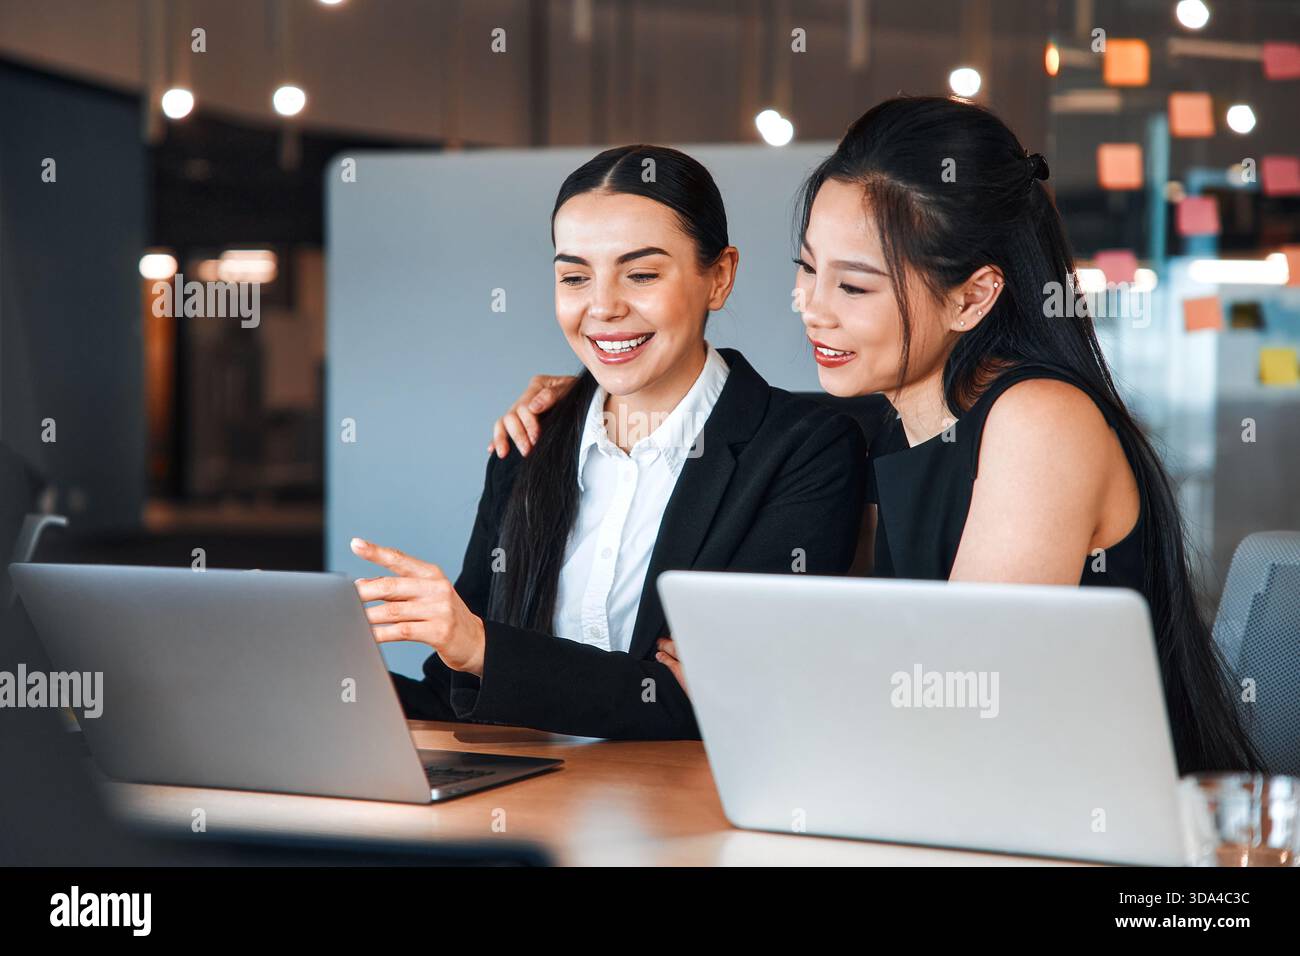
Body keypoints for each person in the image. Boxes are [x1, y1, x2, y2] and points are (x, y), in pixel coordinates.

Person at [489, 98, 1261, 775]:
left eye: (854, 286)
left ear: (974, 297)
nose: (812, 309)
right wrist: (596, 393)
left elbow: (963, 701)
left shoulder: (1038, 420)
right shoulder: (883, 419)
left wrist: (772, 688)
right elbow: (732, 418)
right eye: (808, 271)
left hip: (1092, 832)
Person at [352, 144, 867, 740]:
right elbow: (461, 698)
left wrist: (484, 648)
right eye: (574, 276)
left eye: (642, 274)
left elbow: (713, 701)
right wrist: (339, 685)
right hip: (525, 808)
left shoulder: (803, 449)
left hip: (682, 814)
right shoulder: (530, 439)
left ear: (719, 277)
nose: (602, 307)